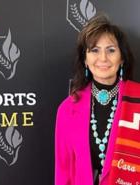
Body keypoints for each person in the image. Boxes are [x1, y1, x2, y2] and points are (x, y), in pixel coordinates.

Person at [55, 14, 135, 185]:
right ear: (85, 59)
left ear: (121, 58)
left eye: (111, 50)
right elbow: (63, 171)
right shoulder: (68, 109)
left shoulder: (136, 100)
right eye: (95, 50)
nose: (103, 58)